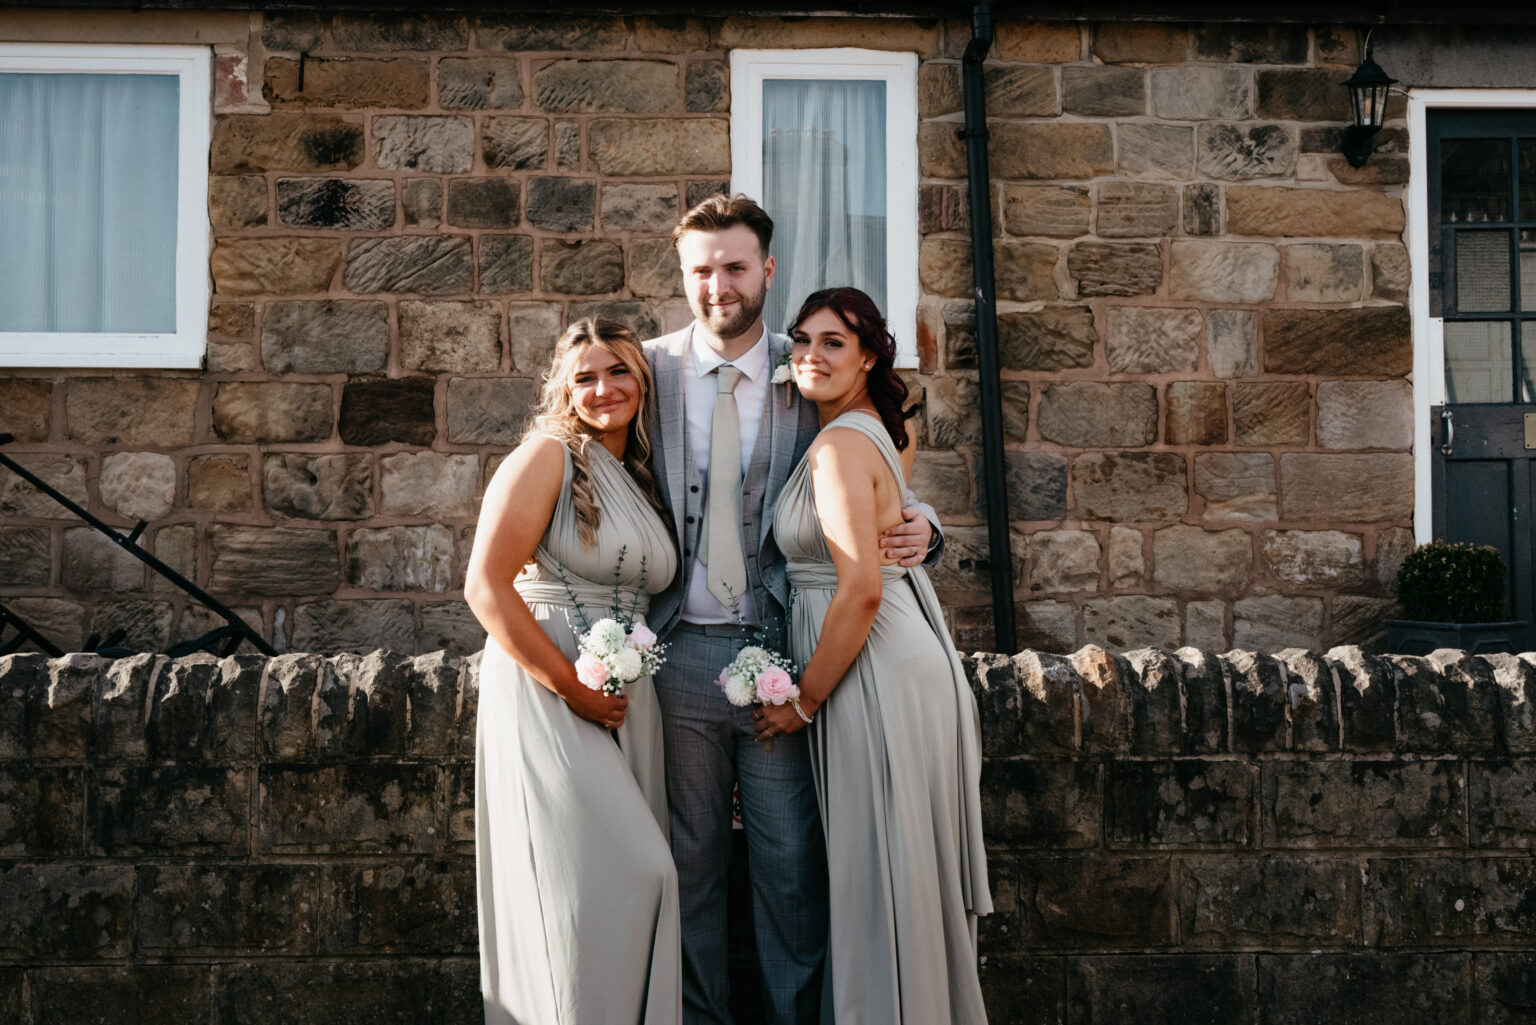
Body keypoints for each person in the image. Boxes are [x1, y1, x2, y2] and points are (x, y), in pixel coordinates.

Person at [642, 195, 942, 1025]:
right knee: (690, 864)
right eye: (701, 269)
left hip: (777, 657)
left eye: (735, 267)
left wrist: (925, 525)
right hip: (675, 655)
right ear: (684, 276)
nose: (718, 285)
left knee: (791, 865)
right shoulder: (648, 370)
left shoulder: (807, 361)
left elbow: (883, 453)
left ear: (766, 271)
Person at [755, 287, 991, 1024]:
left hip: (872, 666)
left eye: (833, 342)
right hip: (898, 651)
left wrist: (803, 701)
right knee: (895, 870)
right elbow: (897, 522)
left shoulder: (836, 447)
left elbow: (858, 588)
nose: (810, 356)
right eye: (800, 340)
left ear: (868, 356)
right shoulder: (879, 430)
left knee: (876, 872)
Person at [467, 318, 681, 1025]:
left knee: (598, 892)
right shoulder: (548, 456)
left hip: (625, 687)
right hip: (550, 683)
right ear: (563, 385)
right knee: (631, 871)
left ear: (643, 381)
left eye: (618, 371)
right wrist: (571, 687)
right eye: (584, 376)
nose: (603, 388)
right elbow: (486, 585)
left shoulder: (644, 476)